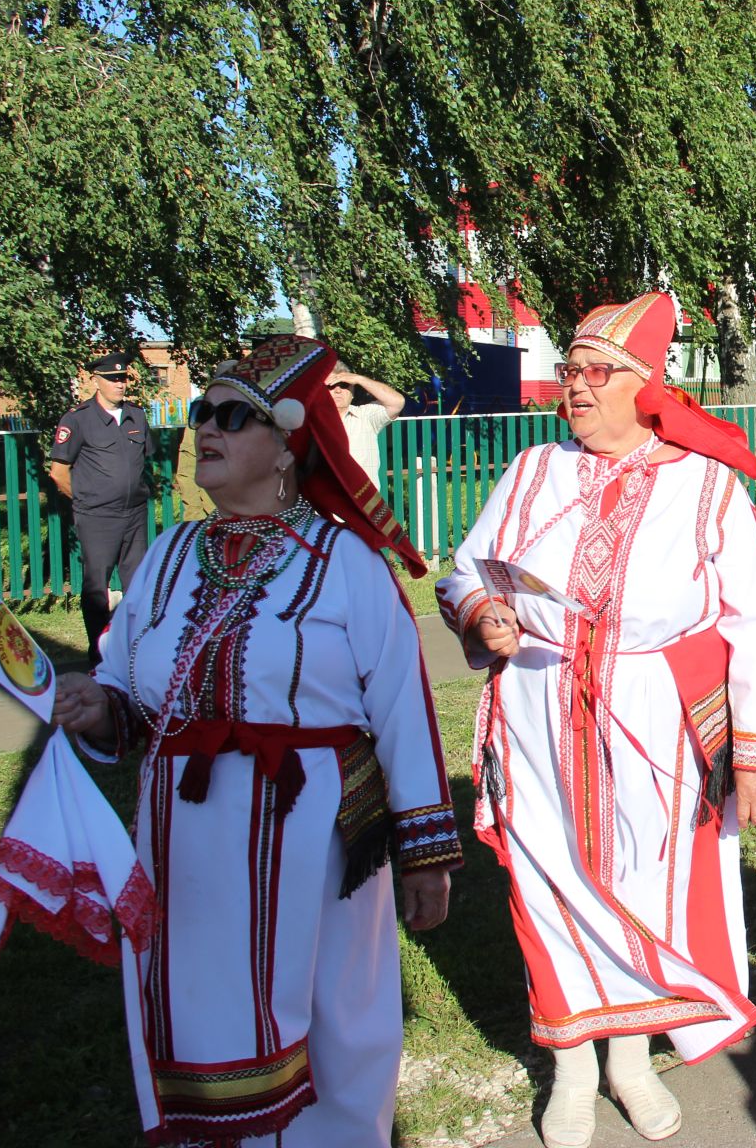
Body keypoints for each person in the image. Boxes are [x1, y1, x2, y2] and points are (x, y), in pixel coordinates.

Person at [48, 335, 462, 1145]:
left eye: (233, 416)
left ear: (286, 446)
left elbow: (404, 711)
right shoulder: (167, 557)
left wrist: (428, 852)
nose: (208, 426)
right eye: (203, 412)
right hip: (183, 841)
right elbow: (134, 692)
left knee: (334, 1020)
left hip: (313, 840)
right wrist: (98, 706)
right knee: (195, 1006)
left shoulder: (346, 564)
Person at [437, 292, 756, 1147]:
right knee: (550, 880)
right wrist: (484, 612)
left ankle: (629, 1061)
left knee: (640, 882)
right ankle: (572, 1067)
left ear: (645, 384)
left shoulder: (706, 487)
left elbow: (755, 621)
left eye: (598, 373)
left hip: (647, 715)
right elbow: (462, 569)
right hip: (536, 707)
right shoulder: (533, 473)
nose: (576, 389)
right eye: (570, 372)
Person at [50, 350, 154, 665]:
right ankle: (98, 654)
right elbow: (58, 472)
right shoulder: (78, 419)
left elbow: (144, 461)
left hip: (135, 514)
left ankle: (133, 649)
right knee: (97, 586)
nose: (119, 385)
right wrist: (86, 501)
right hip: (98, 517)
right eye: (112, 379)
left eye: (123, 379)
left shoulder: (137, 415)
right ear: (96, 380)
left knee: (138, 585)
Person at [328, 361, 407, 490]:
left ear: (353, 391)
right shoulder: (311, 420)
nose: (338, 390)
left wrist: (360, 379)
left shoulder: (365, 416)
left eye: (344, 385)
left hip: (365, 503)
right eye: (331, 386)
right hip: (326, 504)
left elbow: (397, 402)